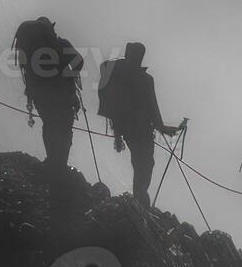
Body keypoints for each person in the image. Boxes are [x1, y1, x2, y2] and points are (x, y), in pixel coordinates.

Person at [98, 43, 183, 207]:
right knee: (144, 166)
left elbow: (116, 110)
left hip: (128, 131)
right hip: (142, 132)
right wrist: (164, 129)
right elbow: (154, 109)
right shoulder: (146, 80)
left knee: (140, 164)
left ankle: (140, 199)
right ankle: (141, 202)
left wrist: (117, 136)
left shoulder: (118, 78)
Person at [13, 17, 83, 170]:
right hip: (64, 96)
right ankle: (60, 164)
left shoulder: (30, 48)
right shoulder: (61, 44)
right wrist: (66, 75)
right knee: (64, 129)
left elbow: (27, 72)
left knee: (49, 125)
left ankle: (52, 160)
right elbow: (79, 60)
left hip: (40, 97)